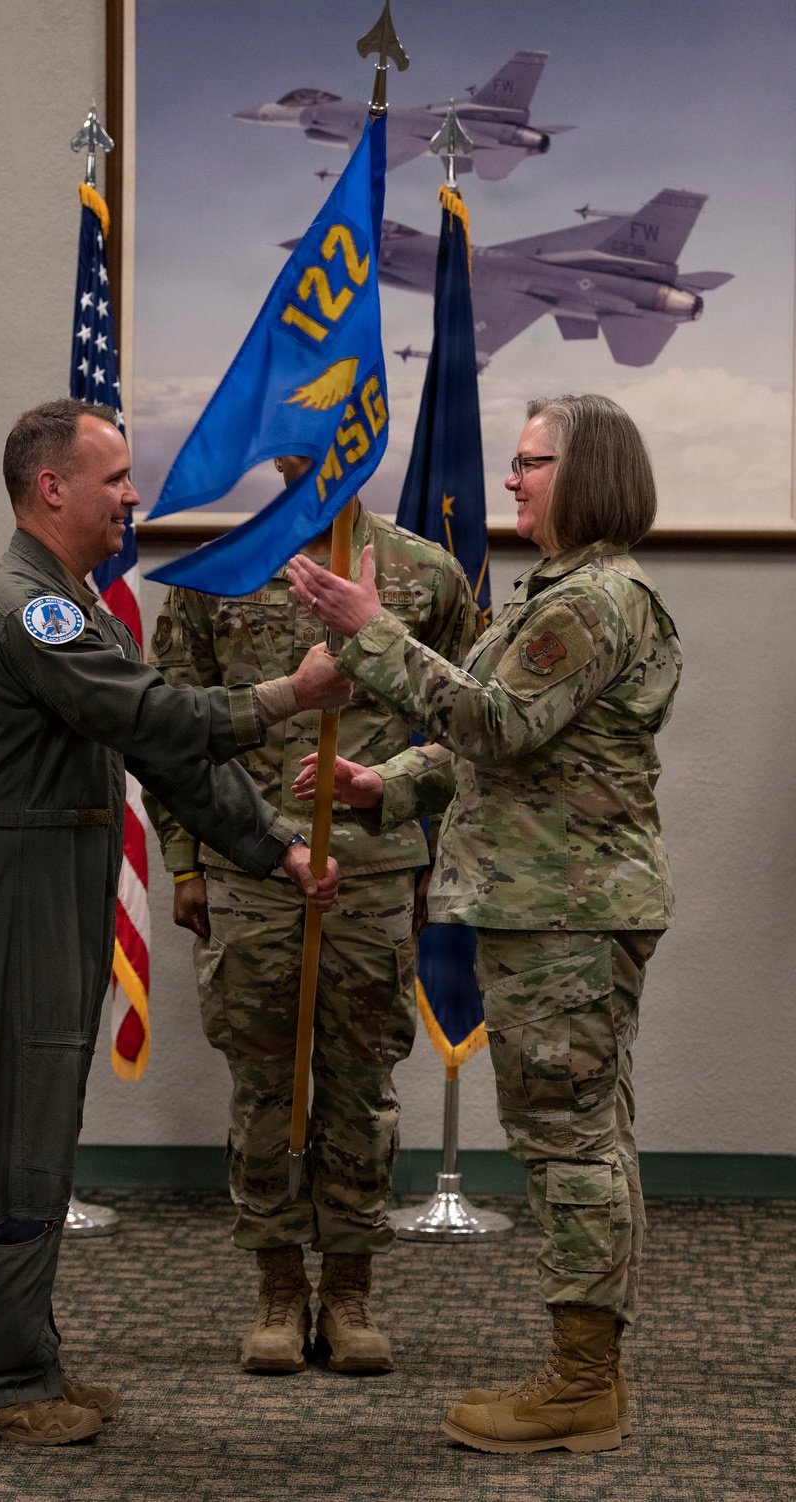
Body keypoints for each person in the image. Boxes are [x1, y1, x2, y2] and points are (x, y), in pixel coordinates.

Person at [0, 400, 346, 1446]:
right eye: (114, 476)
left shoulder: (77, 605)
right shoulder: (29, 610)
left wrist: (272, 847)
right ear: (50, 486)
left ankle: (27, 1358)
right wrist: (288, 694)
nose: (134, 495)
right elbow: (160, 718)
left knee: (41, 1129)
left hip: (53, 877)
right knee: (17, 1140)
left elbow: (161, 758)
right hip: (18, 885)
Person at [288, 394, 682, 1454]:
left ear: (587, 471)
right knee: (579, 1136)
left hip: (565, 909)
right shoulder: (556, 594)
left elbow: (497, 722)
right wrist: (390, 779)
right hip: (550, 901)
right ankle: (583, 1368)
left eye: (530, 461)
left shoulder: (591, 601)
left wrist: (368, 634)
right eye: (510, 461)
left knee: (568, 1142)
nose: (510, 478)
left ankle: (581, 1384)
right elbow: (491, 736)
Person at [147, 456, 479, 1375]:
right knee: (263, 1087)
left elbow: (468, 725)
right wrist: (183, 860)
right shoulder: (216, 573)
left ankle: (352, 1291)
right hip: (249, 869)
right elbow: (172, 732)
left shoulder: (426, 576)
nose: (310, 445)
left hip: (373, 871)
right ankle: (278, 1289)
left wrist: (414, 826)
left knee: (361, 1086)